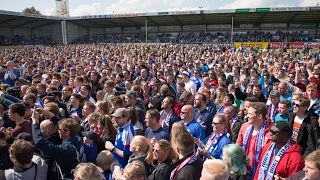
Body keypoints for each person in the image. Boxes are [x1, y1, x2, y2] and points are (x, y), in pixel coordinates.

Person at [32, 115, 84, 179]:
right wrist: (50, 115)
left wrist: (35, 122)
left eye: (59, 129)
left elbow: (40, 143)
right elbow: (69, 126)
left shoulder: (66, 150)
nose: (57, 131)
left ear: (67, 132)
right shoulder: (77, 138)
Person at [236, 102, 271, 179]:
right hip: (243, 170)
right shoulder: (245, 127)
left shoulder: (269, 134)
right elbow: (238, 145)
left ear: (259, 116)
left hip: (259, 174)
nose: (247, 116)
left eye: (250, 114)